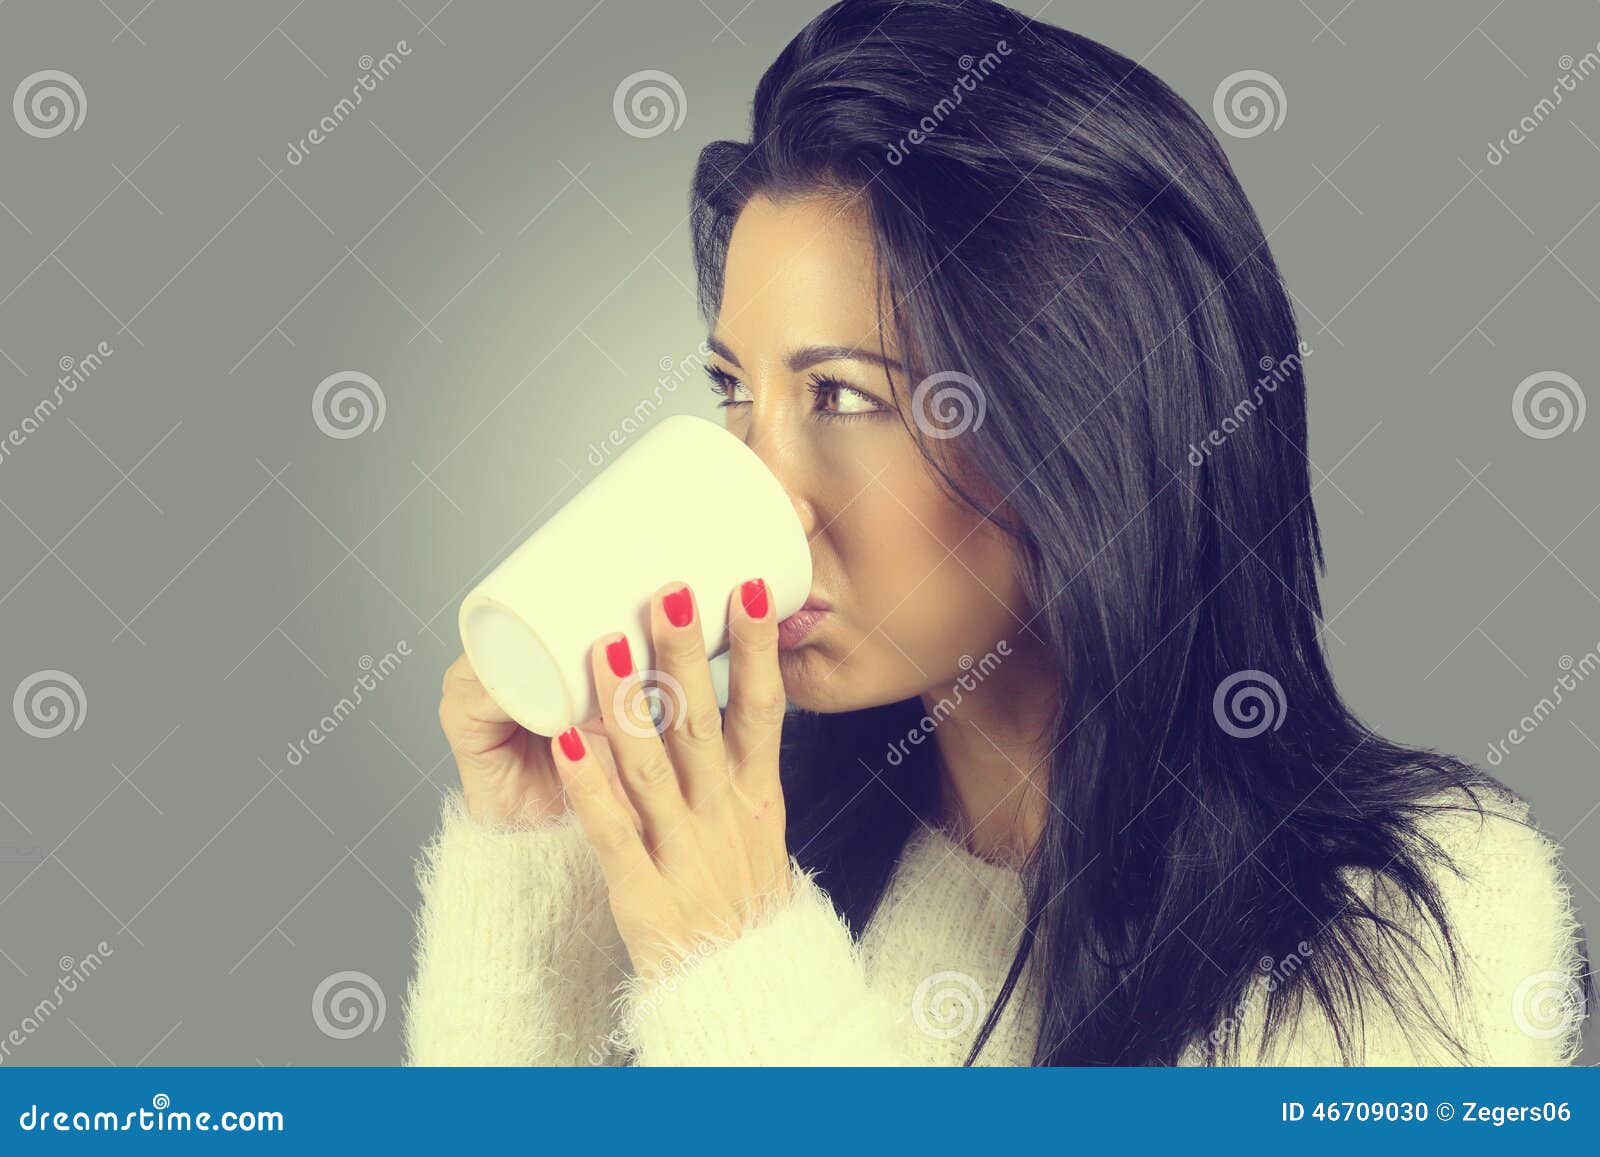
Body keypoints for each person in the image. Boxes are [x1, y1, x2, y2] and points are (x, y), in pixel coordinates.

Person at [402, 0, 1591, 1065]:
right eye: (732, 387)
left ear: (1078, 411)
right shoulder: (771, 854)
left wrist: (741, 966)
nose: (765, 485)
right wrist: (543, 863)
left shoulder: (1413, 919)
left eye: (843, 396)